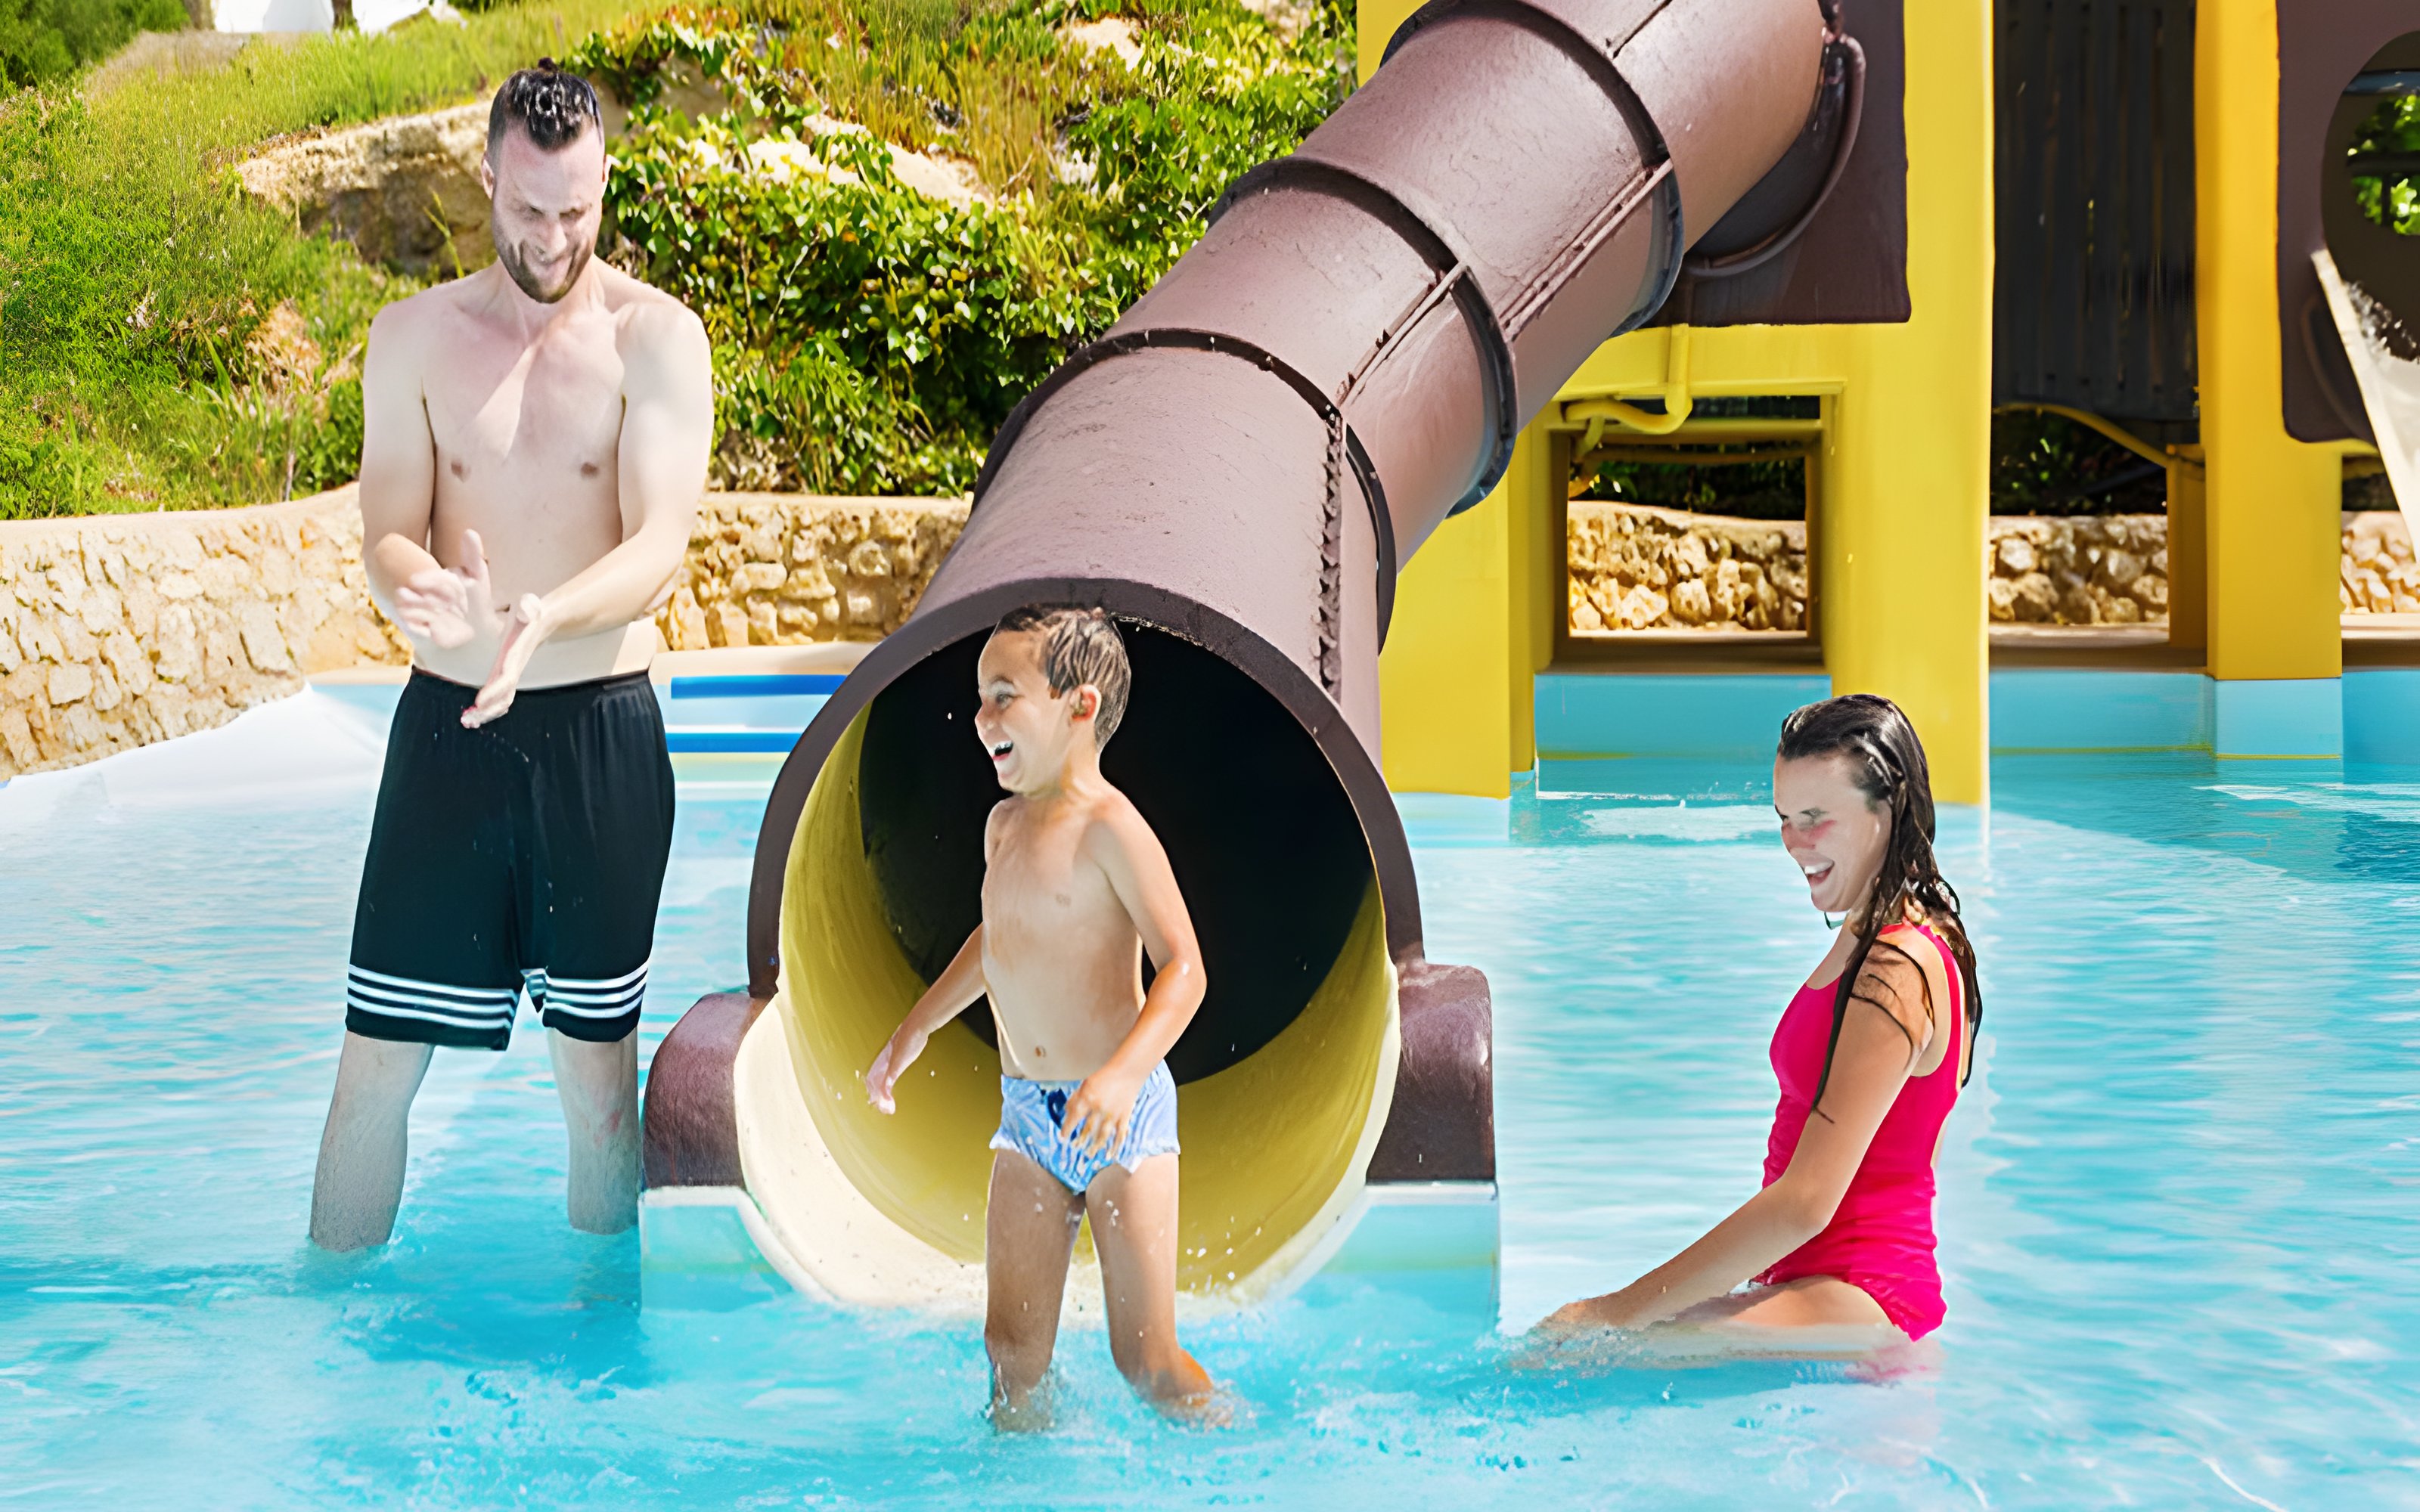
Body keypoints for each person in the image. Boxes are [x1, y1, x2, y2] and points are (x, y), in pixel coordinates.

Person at [308, 61, 714, 1252]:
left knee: (596, 1095)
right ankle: (327, 1351)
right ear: (487, 178)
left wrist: (543, 617)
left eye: (578, 208)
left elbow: (661, 549)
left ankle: (601, 1365)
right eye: (531, 209)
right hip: (450, 738)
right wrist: (410, 585)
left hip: (598, 737)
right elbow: (386, 523)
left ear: (605, 183)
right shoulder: (415, 338)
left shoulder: (657, 340)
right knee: (373, 1071)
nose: (555, 236)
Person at [1535, 693, 1984, 1356]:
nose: (1794, 842)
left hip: (1864, 1299)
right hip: (1827, 1292)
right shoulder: (1881, 933)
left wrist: (1613, 1310)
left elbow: (1808, 1202)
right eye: (1783, 818)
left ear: (1885, 813)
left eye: (1815, 819)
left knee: (1589, 1353)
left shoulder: (1897, 967)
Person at [864, 606, 1219, 1427]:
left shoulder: (1111, 830)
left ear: (1077, 706)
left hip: (1118, 1119)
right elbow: (999, 935)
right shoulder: (1004, 824)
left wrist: (1122, 1074)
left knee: (1145, 1361)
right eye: (979, 699)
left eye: (1001, 696)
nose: (981, 718)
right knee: (1011, 1355)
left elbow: (1185, 969)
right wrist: (914, 1026)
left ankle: (1231, 1448)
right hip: (1027, 1119)